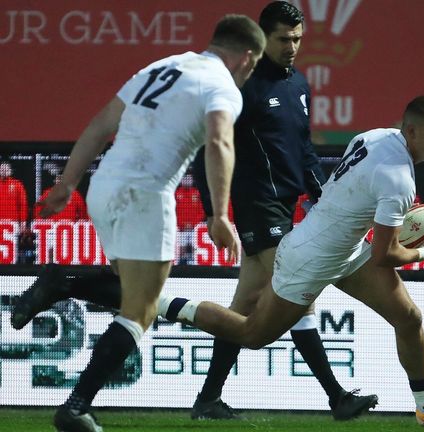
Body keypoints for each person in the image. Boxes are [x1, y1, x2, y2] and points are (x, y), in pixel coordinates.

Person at [150, 95, 424, 427]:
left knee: (408, 318)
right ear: (412, 131)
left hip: (345, 251)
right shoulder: (398, 181)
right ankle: (156, 304)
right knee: (252, 333)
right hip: (307, 260)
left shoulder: (374, 136)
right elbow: (385, 255)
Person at [11, 14, 265, 432]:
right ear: (247, 58)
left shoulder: (161, 67)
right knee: (140, 311)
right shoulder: (221, 85)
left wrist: (66, 184)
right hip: (145, 195)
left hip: (103, 187)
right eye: (252, 69)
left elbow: (100, 124)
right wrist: (219, 215)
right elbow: (219, 142)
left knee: (132, 290)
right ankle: (75, 407)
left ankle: (65, 281)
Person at [189, 1, 376, 420]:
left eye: (297, 39)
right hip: (255, 202)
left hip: (284, 206)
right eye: (283, 38)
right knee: (298, 291)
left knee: (246, 304)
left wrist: (322, 194)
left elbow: (304, 150)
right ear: (262, 37)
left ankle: (207, 399)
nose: (292, 46)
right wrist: (211, 211)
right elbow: (208, 150)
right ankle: (337, 397)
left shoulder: (300, 85)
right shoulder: (242, 86)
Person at [174, 172, 206, 264]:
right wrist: (182, 224)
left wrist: (193, 224)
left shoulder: (196, 193)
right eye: (185, 178)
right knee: (181, 245)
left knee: (194, 244)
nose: (187, 181)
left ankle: (193, 260)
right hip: (181, 228)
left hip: (194, 228)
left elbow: (202, 210)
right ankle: (181, 261)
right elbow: (174, 211)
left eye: (189, 178)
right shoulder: (177, 193)